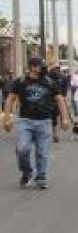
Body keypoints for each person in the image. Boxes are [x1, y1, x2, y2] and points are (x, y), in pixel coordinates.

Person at [2, 57, 70, 188]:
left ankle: (41, 177)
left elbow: (60, 99)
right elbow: (10, 99)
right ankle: (27, 172)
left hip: (44, 121)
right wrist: (7, 118)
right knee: (22, 150)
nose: (44, 69)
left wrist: (65, 118)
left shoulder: (50, 82)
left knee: (42, 152)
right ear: (32, 67)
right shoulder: (20, 81)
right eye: (41, 66)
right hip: (25, 121)